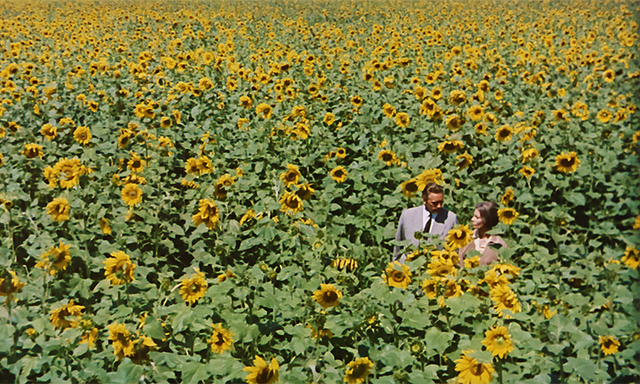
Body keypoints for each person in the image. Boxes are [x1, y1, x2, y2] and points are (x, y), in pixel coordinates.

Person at [393, 182, 458, 262]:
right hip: (409, 266)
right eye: (434, 203)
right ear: (424, 200)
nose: (439, 206)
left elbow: (455, 249)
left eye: (441, 202)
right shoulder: (407, 215)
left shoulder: (450, 218)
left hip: (437, 266)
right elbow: (398, 245)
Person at [458, 201, 507, 267]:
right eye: (473, 216)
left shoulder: (498, 244)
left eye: (477, 217)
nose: (472, 219)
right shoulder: (466, 238)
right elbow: (459, 261)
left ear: (487, 220)